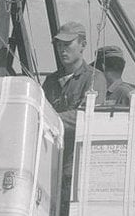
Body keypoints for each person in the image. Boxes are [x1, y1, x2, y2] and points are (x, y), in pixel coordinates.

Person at [41, 22, 107, 191]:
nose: (62, 49)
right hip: (49, 163)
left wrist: (49, 120)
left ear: (83, 45)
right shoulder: (51, 82)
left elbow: (87, 117)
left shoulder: (94, 79)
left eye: (67, 44)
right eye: (59, 45)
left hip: (76, 165)